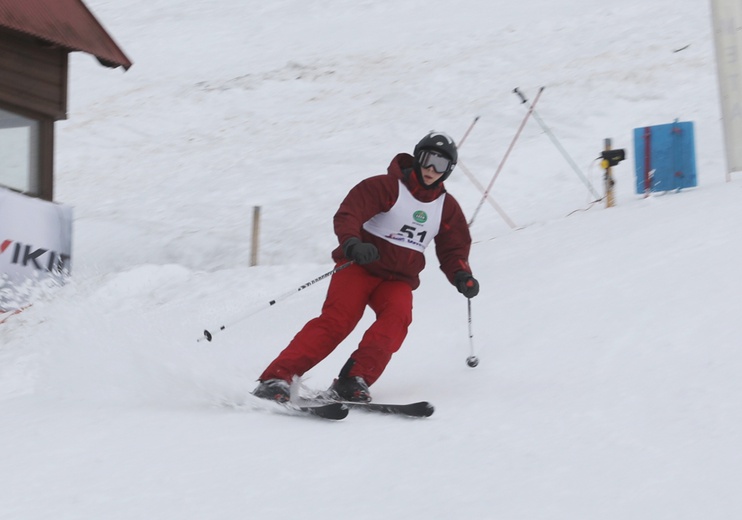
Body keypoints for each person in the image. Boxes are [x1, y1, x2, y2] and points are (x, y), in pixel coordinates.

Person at [253, 131, 480, 403]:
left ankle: (353, 380)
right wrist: (353, 243)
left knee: (397, 320)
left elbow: (453, 246)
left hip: (398, 280)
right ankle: (276, 377)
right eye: (428, 159)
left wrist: (461, 273)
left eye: (441, 165)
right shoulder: (385, 187)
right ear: (418, 156)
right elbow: (350, 212)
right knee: (338, 321)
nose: (432, 169)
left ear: (448, 171)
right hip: (360, 268)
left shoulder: (446, 207)